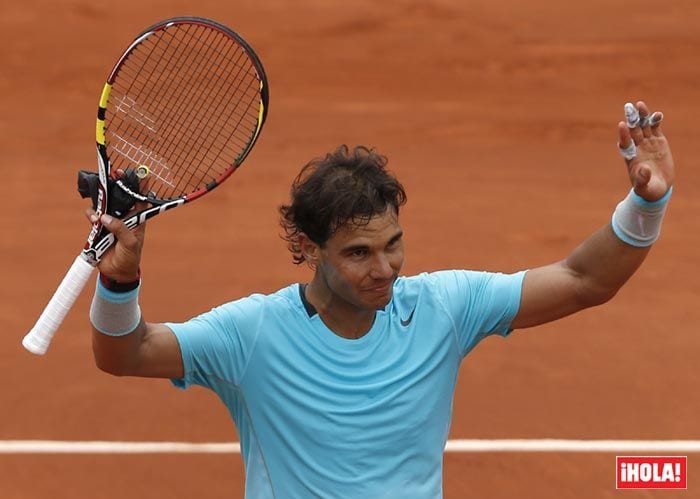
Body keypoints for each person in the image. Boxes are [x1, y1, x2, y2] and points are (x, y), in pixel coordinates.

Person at [87, 100, 674, 498]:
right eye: (359, 253)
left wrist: (644, 208)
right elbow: (126, 354)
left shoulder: (443, 306)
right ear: (309, 247)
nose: (386, 269)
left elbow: (582, 281)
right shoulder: (254, 334)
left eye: (393, 245)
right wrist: (120, 281)